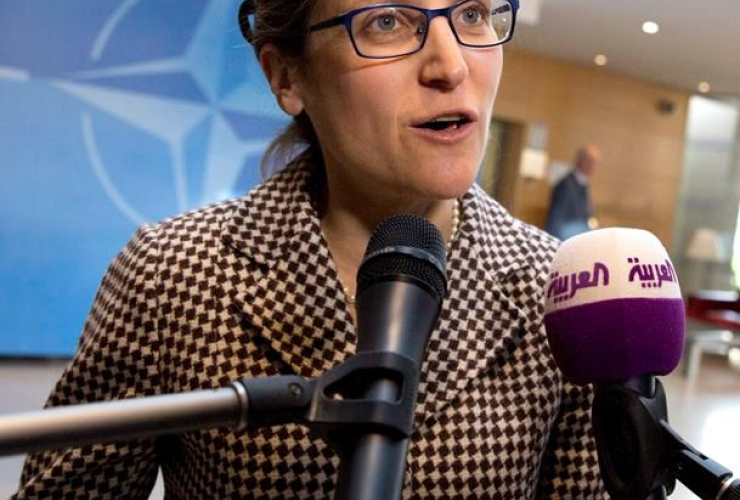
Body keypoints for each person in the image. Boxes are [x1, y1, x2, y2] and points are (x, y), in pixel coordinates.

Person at [15, 0, 607, 498]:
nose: (451, 66)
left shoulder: (560, 293)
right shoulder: (172, 272)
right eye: (387, 23)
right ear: (286, 77)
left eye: (474, 13)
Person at [545, 145, 602, 241]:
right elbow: (555, 219)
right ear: (581, 161)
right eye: (591, 162)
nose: (593, 167)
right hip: (566, 239)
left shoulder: (583, 184)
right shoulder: (566, 186)